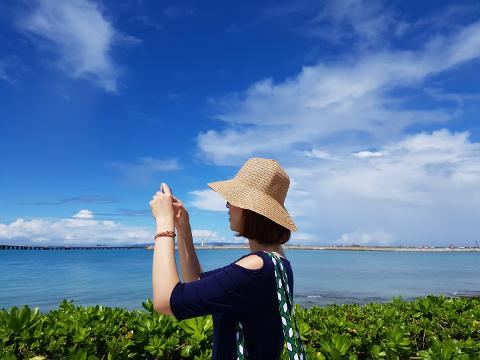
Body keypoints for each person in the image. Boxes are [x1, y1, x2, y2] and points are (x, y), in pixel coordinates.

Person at [150, 157, 300, 359]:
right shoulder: (276, 263)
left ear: (251, 209)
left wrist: (164, 222)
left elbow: (165, 301)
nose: (227, 204)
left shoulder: (255, 269)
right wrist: (183, 227)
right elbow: (195, 281)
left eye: (234, 199)